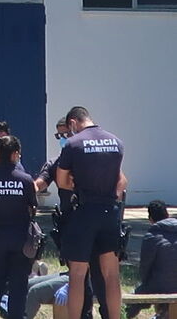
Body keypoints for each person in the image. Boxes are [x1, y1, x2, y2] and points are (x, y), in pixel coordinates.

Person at [55, 107, 126, 319]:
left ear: (74, 122)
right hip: (110, 212)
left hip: (84, 213)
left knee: (77, 275)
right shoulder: (116, 142)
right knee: (112, 274)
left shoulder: (73, 144)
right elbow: (122, 180)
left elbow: (62, 182)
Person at [36, 117, 108, 319]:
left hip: (96, 223)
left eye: (67, 133)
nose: (64, 139)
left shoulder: (94, 161)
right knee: (79, 278)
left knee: (101, 275)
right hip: (72, 227)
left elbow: (119, 184)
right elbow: (40, 183)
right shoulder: (55, 164)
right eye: (59, 135)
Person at [0, 136, 37, 319]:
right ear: (15, 154)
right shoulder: (25, 180)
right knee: (18, 288)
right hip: (20, 240)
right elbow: (32, 207)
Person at [128, 200, 177, 319]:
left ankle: (125, 316)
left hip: (160, 285)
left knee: (136, 298)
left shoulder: (152, 236)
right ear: (167, 214)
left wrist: (145, 282)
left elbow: (145, 266)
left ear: (150, 218)